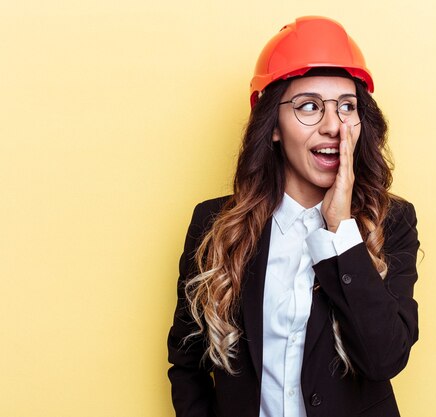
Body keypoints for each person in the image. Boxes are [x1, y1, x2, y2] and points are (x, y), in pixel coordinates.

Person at [167, 16, 420, 417]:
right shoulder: (213, 225)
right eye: (309, 107)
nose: (333, 126)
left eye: (346, 107)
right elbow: (187, 365)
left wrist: (340, 230)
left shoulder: (391, 222)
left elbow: (384, 359)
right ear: (273, 127)